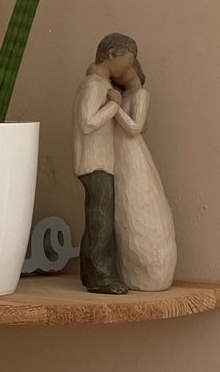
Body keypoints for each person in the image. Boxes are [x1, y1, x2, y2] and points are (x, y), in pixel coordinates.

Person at [71, 33, 138, 294]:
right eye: (128, 59)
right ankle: (101, 275)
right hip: (95, 161)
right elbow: (87, 123)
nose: (130, 65)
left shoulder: (99, 84)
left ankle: (90, 272)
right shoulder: (93, 85)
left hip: (99, 160)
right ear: (111, 55)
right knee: (101, 219)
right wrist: (114, 105)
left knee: (96, 218)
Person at [107, 52, 177, 291]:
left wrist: (115, 107)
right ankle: (130, 270)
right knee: (124, 210)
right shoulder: (127, 95)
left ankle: (151, 271)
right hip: (121, 155)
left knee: (139, 203)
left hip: (132, 154)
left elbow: (135, 128)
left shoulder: (141, 94)